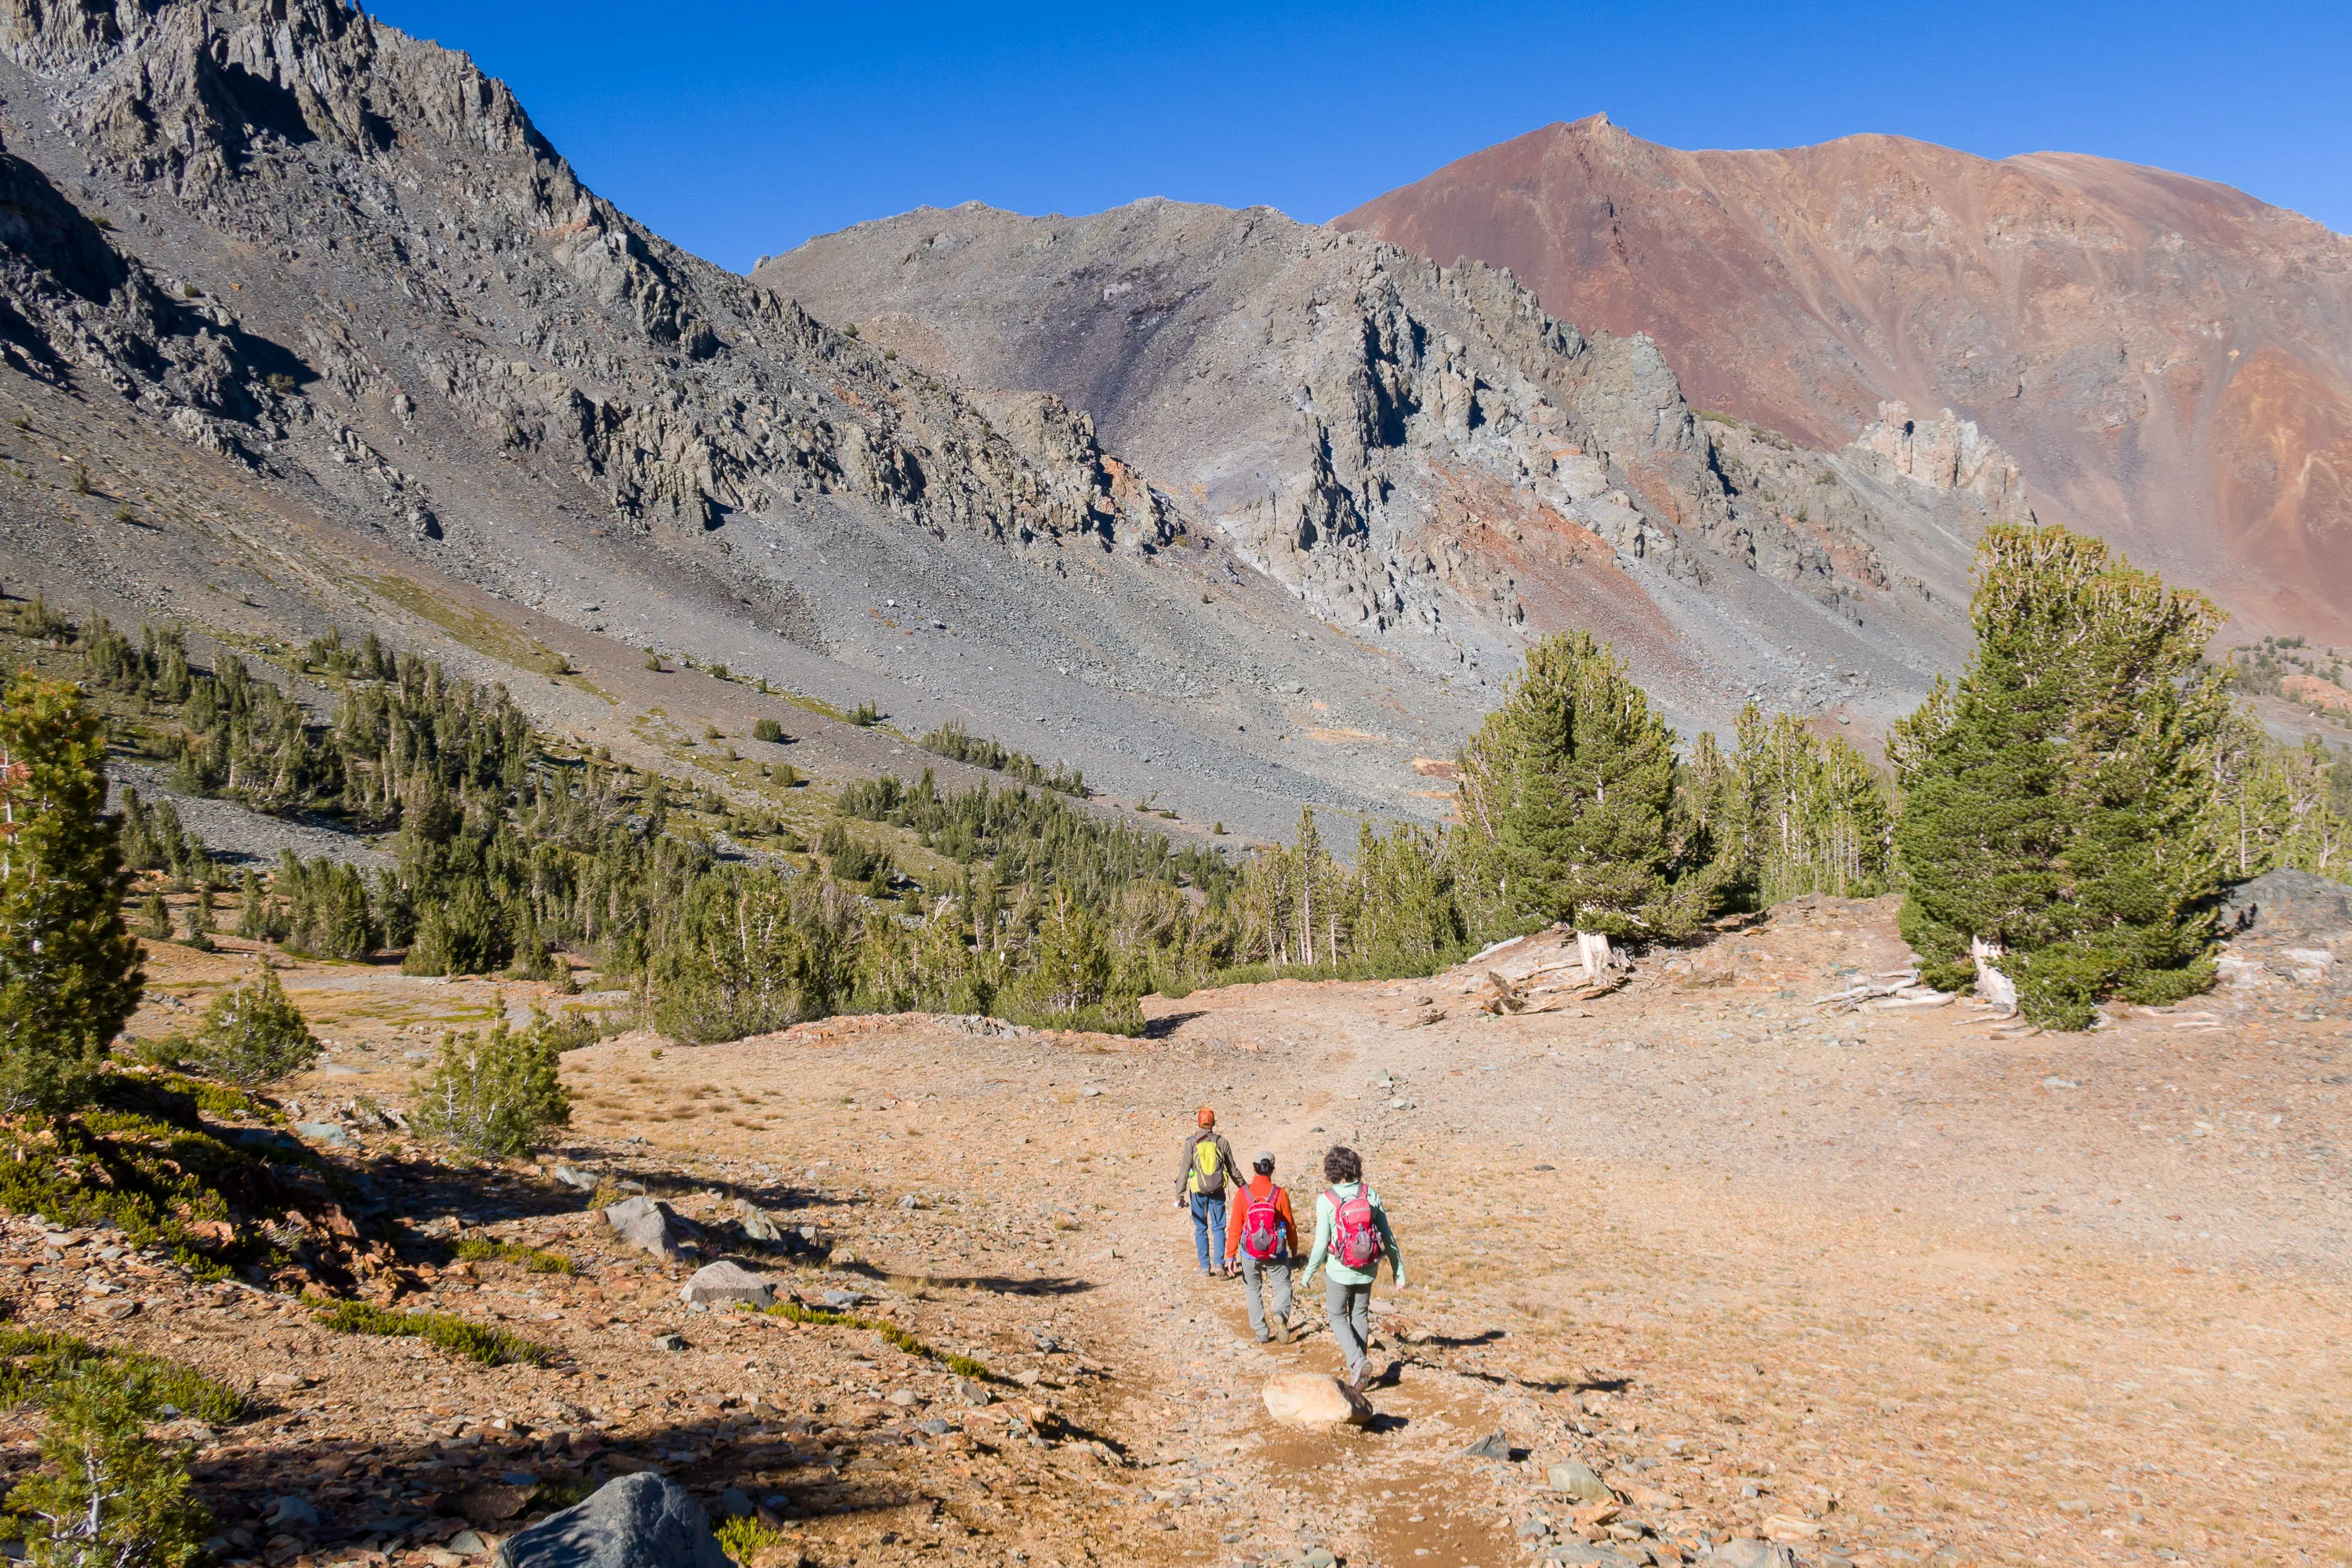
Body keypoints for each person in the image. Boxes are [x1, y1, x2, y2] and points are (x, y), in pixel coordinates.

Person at [1300, 1144, 1404, 1388]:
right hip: (1368, 1268)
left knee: (1336, 1315)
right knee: (1359, 1315)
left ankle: (1357, 1361)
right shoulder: (1370, 1194)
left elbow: (1319, 1245)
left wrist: (1308, 1273)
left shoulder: (1326, 1200)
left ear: (1333, 1171)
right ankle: (1360, 1372)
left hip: (1339, 1270)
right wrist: (1398, 1272)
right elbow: (1387, 1237)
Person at [1224, 1151, 1298, 1342]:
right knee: (1283, 1285)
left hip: (1250, 1252)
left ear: (1253, 1168)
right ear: (1272, 1169)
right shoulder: (1279, 1194)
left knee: (1253, 1290)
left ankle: (1261, 1332)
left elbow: (1235, 1227)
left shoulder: (1243, 1193)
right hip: (1276, 1250)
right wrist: (1294, 1247)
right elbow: (1289, 1224)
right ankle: (1280, 1313)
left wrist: (1230, 1255)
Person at [1173, 1106, 1240, 1278]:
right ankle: (1219, 1264)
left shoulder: (1191, 1142)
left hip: (1197, 1192)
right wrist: (1245, 1188)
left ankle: (1204, 1267)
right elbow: (1233, 1170)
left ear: (1198, 1122)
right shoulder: (1221, 1142)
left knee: (1201, 1228)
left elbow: (1183, 1171)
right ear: (1213, 1123)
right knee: (1219, 1228)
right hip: (1217, 1191)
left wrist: (1179, 1195)